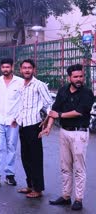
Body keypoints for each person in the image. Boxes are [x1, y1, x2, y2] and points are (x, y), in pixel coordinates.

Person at [40, 64, 93, 211]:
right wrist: (49, 126)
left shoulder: (87, 93)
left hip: (79, 133)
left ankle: (78, 199)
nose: (79, 79)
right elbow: (55, 110)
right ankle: (65, 196)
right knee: (65, 166)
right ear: (69, 77)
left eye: (81, 76)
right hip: (64, 132)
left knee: (79, 168)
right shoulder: (63, 90)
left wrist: (60, 115)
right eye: (75, 77)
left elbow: (80, 111)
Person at [16, 59, 53, 198]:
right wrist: (16, 118)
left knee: (35, 158)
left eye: (29, 68)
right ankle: (30, 185)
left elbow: (49, 105)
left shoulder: (39, 85)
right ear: (20, 70)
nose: (27, 70)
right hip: (23, 125)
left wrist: (47, 122)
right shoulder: (21, 85)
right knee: (25, 158)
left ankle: (38, 188)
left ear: (34, 70)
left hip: (33, 126)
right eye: (24, 68)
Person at [0, 58, 23, 186]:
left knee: (11, 148)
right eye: (3, 67)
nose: (5, 69)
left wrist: (18, 118)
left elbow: (22, 101)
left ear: (12, 67)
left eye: (7, 67)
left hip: (13, 121)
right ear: (1, 68)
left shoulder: (19, 82)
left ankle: (9, 174)